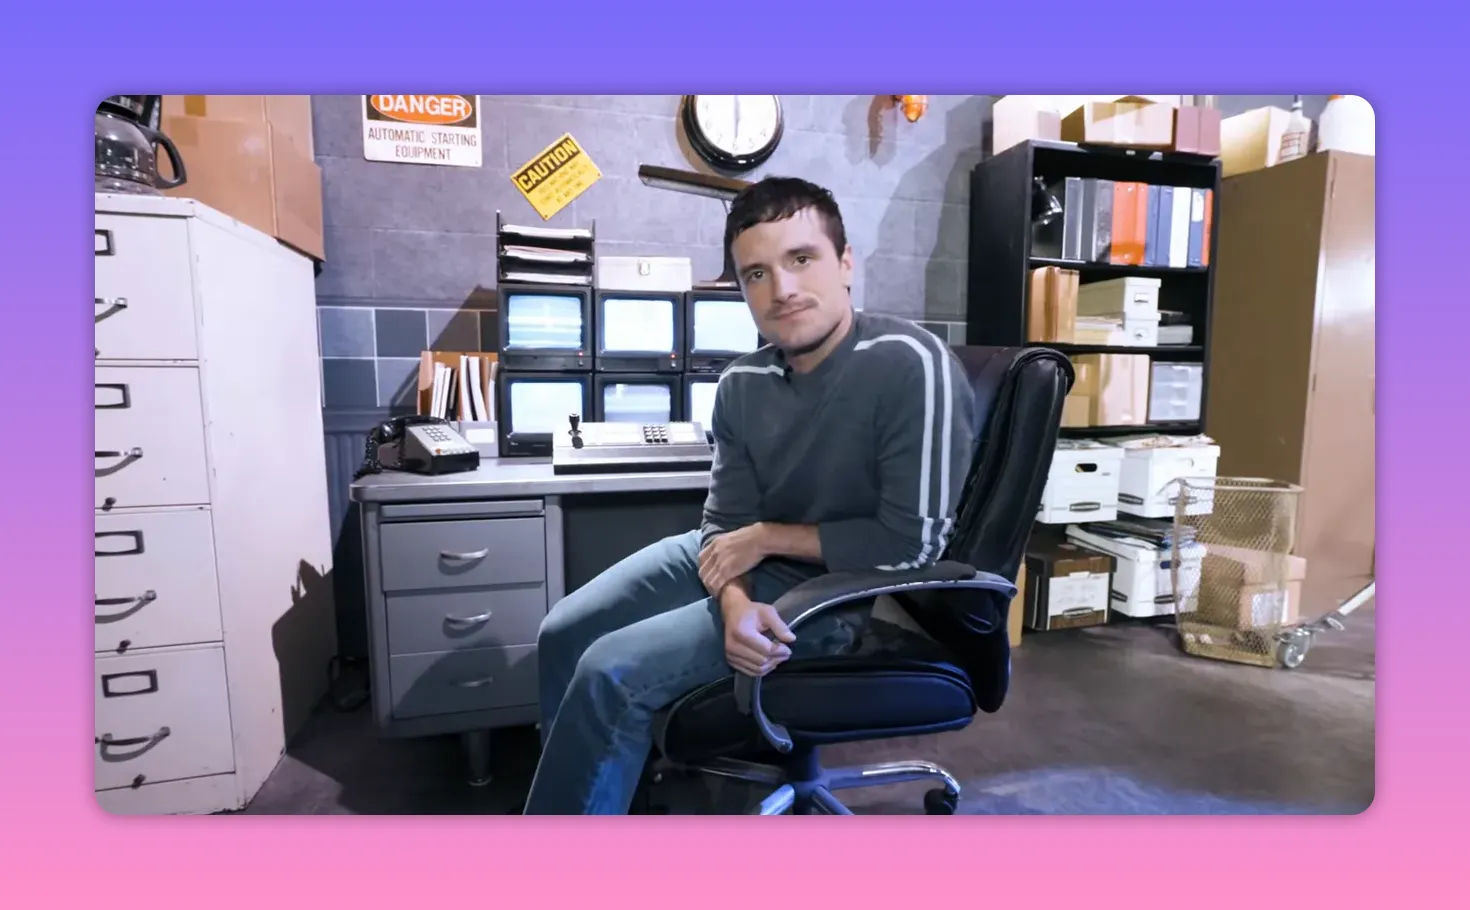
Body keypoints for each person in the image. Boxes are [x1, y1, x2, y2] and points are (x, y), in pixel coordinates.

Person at [522, 175, 978, 814]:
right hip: (747, 564)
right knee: (563, 631)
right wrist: (732, 598)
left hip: (838, 589)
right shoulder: (742, 382)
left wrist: (766, 540)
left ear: (846, 264)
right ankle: (589, 790)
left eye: (801, 259)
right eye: (755, 274)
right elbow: (725, 523)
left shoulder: (908, 363)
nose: (782, 289)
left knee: (609, 672)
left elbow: (912, 546)